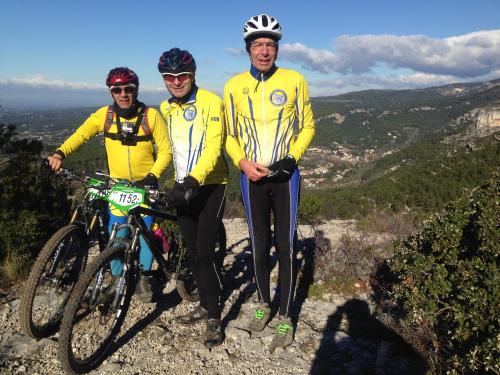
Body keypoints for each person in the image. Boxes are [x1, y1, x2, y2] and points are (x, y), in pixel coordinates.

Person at [223, 13, 315, 350]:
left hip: (285, 176)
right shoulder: (234, 86)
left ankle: (286, 316)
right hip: (251, 178)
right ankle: (263, 305)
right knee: (259, 244)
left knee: (286, 247)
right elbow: (229, 134)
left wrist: (292, 158)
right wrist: (242, 163)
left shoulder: (294, 80)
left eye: (270, 45)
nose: (264, 51)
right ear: (248, 49)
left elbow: (307, 126)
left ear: (277, 49)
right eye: (258, 44)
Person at [47, 67, 172, 302]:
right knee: (118, 231)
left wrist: (153, 176)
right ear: (111, 92)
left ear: (136, 90)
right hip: (118, 187)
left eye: (128, 89)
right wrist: (59, 153)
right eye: (117, 90)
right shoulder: (105, 116)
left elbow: (166, 150)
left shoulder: (150, 116)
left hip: (145, 185)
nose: (123, 94)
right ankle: (116, 278)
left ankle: (143, 276)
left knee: (145, 232)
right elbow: (81, 135)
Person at [157, 48, 228, 348]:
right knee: (191, 249)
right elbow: (166, 149)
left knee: (203, 253)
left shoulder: (211, 101)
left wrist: (194, 180)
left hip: (210, 185)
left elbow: (214, 145)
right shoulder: (165, 107)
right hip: (182, 187)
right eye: (169, 77)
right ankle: (202, 303)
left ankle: (214, 314)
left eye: (182, 76)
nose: (176, 82)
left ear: (193, 75)